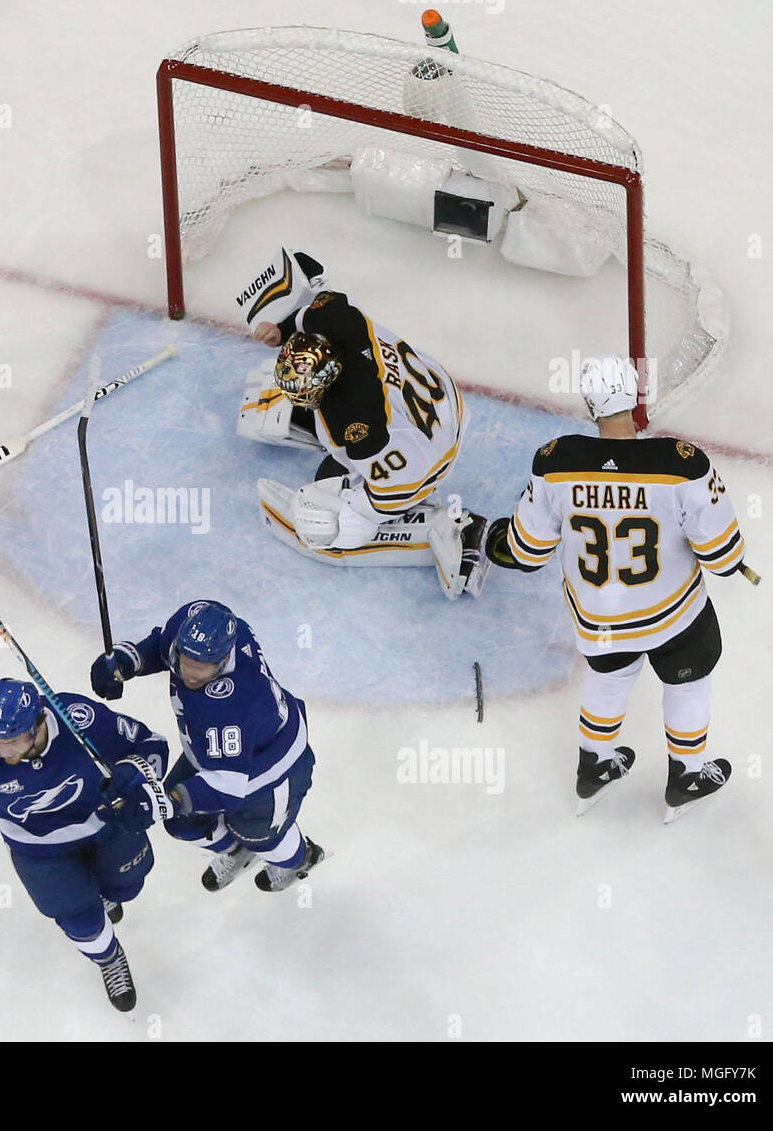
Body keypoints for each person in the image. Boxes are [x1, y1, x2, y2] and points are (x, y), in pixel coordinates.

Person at [484, 356, 745, 821]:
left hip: (598, 619)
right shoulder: (681, 464)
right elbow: (723, 559)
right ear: (635, 398)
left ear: (590, 404)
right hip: (675, 617)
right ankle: (686, 774)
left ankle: (595, 767)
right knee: (687, 686)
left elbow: (526, 554)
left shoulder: (554, 461)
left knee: (608, 679)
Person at [0, 678, 169, 1012]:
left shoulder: (80, 719)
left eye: (12, 741)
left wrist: (132, 775)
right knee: (77, 917)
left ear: (39, 725)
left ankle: (106, 892)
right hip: (38, 846)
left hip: (105, 822)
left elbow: (150, 743)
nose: (3, 751)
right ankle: (109, 958)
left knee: (128, 887)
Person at [237, 247, 488, 598]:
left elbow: (400, 482)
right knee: (342, 440)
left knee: (329, 482)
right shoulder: (339, 319)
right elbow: (322, 303)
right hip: (446, 402)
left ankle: (442, 524)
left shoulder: (356, 427)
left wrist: (358, 516)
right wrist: (283, 329)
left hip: (429, 456)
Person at [91, 600, 324, 893]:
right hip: (219, 752)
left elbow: (226, 787)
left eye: (201, 668)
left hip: (270, 774)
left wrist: (163, 800)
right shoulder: (196, 624)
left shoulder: (232, 702)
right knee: (182, 824)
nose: (189, 673)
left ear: (224, 660)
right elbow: (162, 646)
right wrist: (130, 660)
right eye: (184, 660)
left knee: (262, 836)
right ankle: (236, 852)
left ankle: (301, 858)